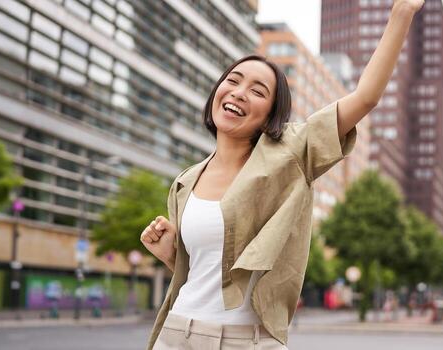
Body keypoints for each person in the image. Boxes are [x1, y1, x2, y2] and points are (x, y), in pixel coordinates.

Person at [140, 1, 424, 348]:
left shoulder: (290, 154)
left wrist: (402, 14)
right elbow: (206, 275)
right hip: (177, 333)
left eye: (258, 91)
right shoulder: (185, 182)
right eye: (233, 81)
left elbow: (364, 98)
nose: (239, 93)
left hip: (248, 340)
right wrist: (172, 253)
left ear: (271, 115)